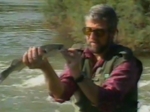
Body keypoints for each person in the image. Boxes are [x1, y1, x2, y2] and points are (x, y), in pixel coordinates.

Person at [22, 4, 143, 112]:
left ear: (112, 33)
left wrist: (78, 75)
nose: (92, 37)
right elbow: (61, 94)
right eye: (88, 31)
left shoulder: (126, 62)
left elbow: (106, 101)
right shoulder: (78, 55)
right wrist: (46, 67)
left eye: (99, 32)